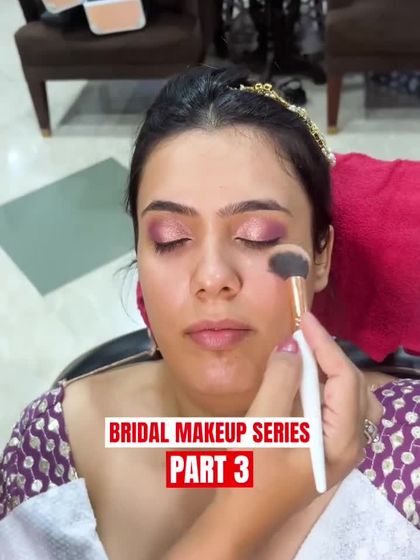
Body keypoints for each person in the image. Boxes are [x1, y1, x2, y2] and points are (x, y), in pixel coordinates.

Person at [0, 66, 418, 560]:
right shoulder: (53, 445)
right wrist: (240, 517)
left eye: (258, 235)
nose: (213, 276)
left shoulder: (408, 446)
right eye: (171, 239)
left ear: (320, 255)